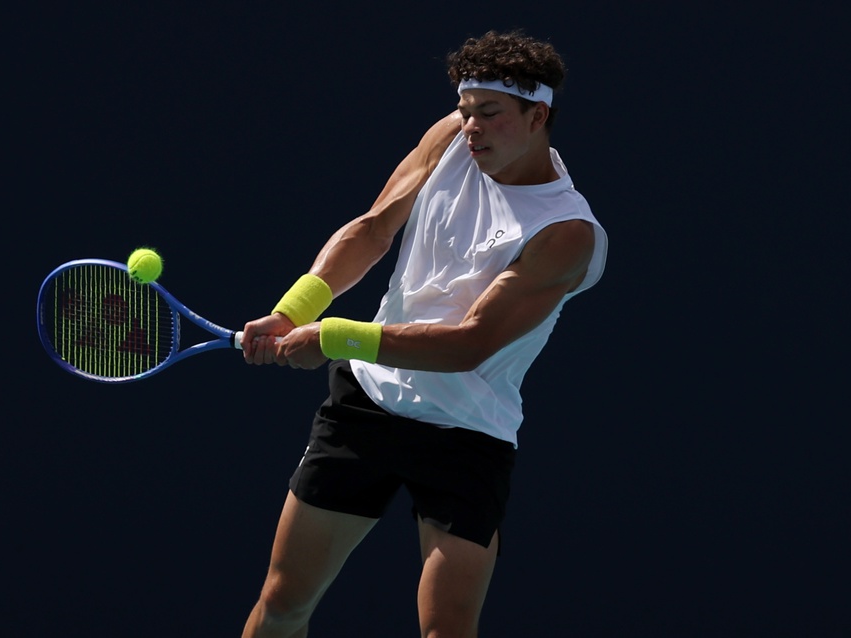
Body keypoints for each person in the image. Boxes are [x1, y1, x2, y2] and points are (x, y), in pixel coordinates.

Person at [238, 30, 608, 638]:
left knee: (446, 632)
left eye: (489, 114)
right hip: (368, 406)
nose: (471, 129)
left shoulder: (567, 232)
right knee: (282, 603)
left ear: (537, 116)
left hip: (468, 432)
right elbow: (374, 229)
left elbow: (469, 344)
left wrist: (333, 337)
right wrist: (294, 310)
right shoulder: (449, 142)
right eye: (465, 113)